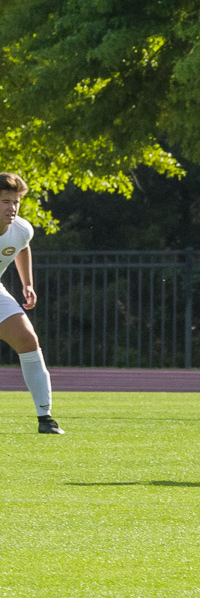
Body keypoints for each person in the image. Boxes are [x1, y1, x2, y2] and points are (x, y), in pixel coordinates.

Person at [0, 173, 63, 434]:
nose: (12, 208)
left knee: (28, 341)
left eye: (16, 201)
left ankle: (45, 418)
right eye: (5, 201)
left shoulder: (22, 229)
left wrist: (27, 283)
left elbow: (22, 247)